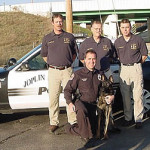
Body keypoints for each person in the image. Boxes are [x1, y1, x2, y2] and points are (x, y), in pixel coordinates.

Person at [64, 50, 114, 141]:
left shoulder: (100, 74)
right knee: (84, 118)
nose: (91, 61)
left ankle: (76, 128)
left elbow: (109, 87)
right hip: (81, 102)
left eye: (94, 59)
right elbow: (68, 90)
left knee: (94, 130)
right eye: (89, 59)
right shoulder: (78, 74)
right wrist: (70, 103)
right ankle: (84, 135)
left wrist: (112, 96)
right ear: (84, 60)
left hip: (93, 105)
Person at [41, 13, 77, 132]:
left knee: (69, 96)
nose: (59, 24)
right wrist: (54, 64)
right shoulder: (47, 38)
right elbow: (45, 56)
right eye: (57, 22)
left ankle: (72, 121)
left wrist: (65, 63)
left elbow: (74, 54)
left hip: (67, 70)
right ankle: (54, 122)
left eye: (61, 21)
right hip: (53, 71)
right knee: (53, 97)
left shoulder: (70, 37)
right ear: (52, 23)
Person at [114, 19, 148, 129]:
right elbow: (117, 56)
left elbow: (144, 55)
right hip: (124, 69)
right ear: (120, 28)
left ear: (130, 27)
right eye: (123, 27)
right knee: (126, 96)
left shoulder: (138, 40)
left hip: (136, 68)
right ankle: (128, 118)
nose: (125, 29)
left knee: (138, 95)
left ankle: (138, 119)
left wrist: (136, 65)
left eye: (127, 27)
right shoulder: (118, 42)